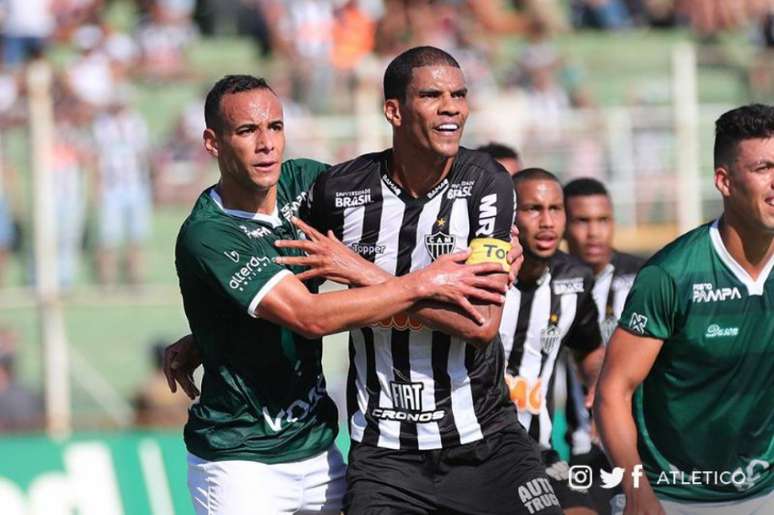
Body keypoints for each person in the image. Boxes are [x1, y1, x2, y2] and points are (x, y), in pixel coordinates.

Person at [173, 74, 510, 515]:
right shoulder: (209, 233)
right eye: (247, 131)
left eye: (275, 127)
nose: (266, 144)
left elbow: (398, 221)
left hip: (318, 449)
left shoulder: (306, 184)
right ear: (212, 143)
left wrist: (500, 239)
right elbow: (310, 316)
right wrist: (425, 282)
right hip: (240, 461)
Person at [275, 46, 562, 515]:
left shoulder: (486, 184)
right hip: (385, 458)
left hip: (486, 443)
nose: (452, 106)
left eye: (459, 94)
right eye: (432, 95)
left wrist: (361, 272)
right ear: (394, 110)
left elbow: (481, 323)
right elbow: (289, 291)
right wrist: (206, 338)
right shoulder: (341, 192)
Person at [595, 103, 774, 515]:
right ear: (724, 182)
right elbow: (612, 391)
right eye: (763, 168)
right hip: (673, 496)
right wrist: (638, 491)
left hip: (763, 489)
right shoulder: (671, 275)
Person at [499, 168, 606, 515]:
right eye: (533, 209)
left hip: (536, 449)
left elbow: (588, 347)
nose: (547, 221)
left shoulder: (574, 279)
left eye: (555, 209)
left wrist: (600, 388)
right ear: (509, 216)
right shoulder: (480, 274)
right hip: (470, 453)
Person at [560, 177, 645, 515]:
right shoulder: (552, 281)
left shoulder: (645, 276)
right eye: (582, 221)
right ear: (565, 225)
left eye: (602, 220)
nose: (594, 232)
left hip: (639, 441)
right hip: (579, 446)